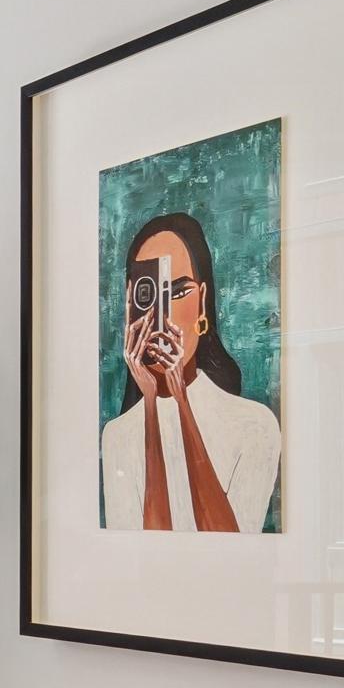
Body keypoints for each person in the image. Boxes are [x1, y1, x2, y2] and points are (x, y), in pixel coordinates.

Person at [99, 211, 279, 532]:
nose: (162, 313)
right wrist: (151, 406)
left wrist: (182, 401)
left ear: (202, 301)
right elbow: (145, 551)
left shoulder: (256, 426)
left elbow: (229, 544)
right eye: (148, 294)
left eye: (179, 292)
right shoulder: (117, 436)